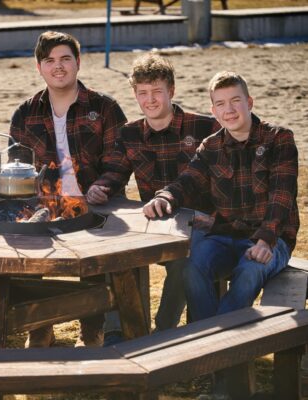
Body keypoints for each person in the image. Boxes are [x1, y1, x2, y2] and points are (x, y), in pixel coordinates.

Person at [143, 71, 299, 322]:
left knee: (249, 272)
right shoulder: (211, 146)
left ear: (249, 102)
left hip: (271, 239)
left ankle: (218, 340)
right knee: (191, 268)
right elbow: (188, 180)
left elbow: (282, 195)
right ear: (213, 111)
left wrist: (265, 240)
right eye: (221, 104)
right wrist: (165, 197)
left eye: (235, 101)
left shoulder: (278, 139)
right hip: (226, 235)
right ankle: (212, 337)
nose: (229, 110)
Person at [87, 53, 220, 341]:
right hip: (154, 223)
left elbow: (226, 179)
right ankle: (117, 332)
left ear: (171, 90)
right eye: (142, 93)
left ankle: (164, 333)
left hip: (197, 226)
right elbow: (115, 172)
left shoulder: (205, 127)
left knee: (185, 258)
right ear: (135, 94)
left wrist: (218, 218)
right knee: (115, 252)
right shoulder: (129, 133)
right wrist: (100, 187)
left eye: (157, 91)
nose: (150, 100)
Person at [9, 31, 127, 348]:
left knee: (95, 254)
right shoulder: (25, 113)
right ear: (39, 67)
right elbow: (18, 168)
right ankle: (39, 328)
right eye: (49, 60)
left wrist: (103, 186)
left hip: (95, 205)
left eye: (65, 59)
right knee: (26, 245)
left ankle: (92, 330)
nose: (58, 66)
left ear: (78, 62)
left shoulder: (105, 107)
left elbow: (119, 161)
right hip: (44, 207)